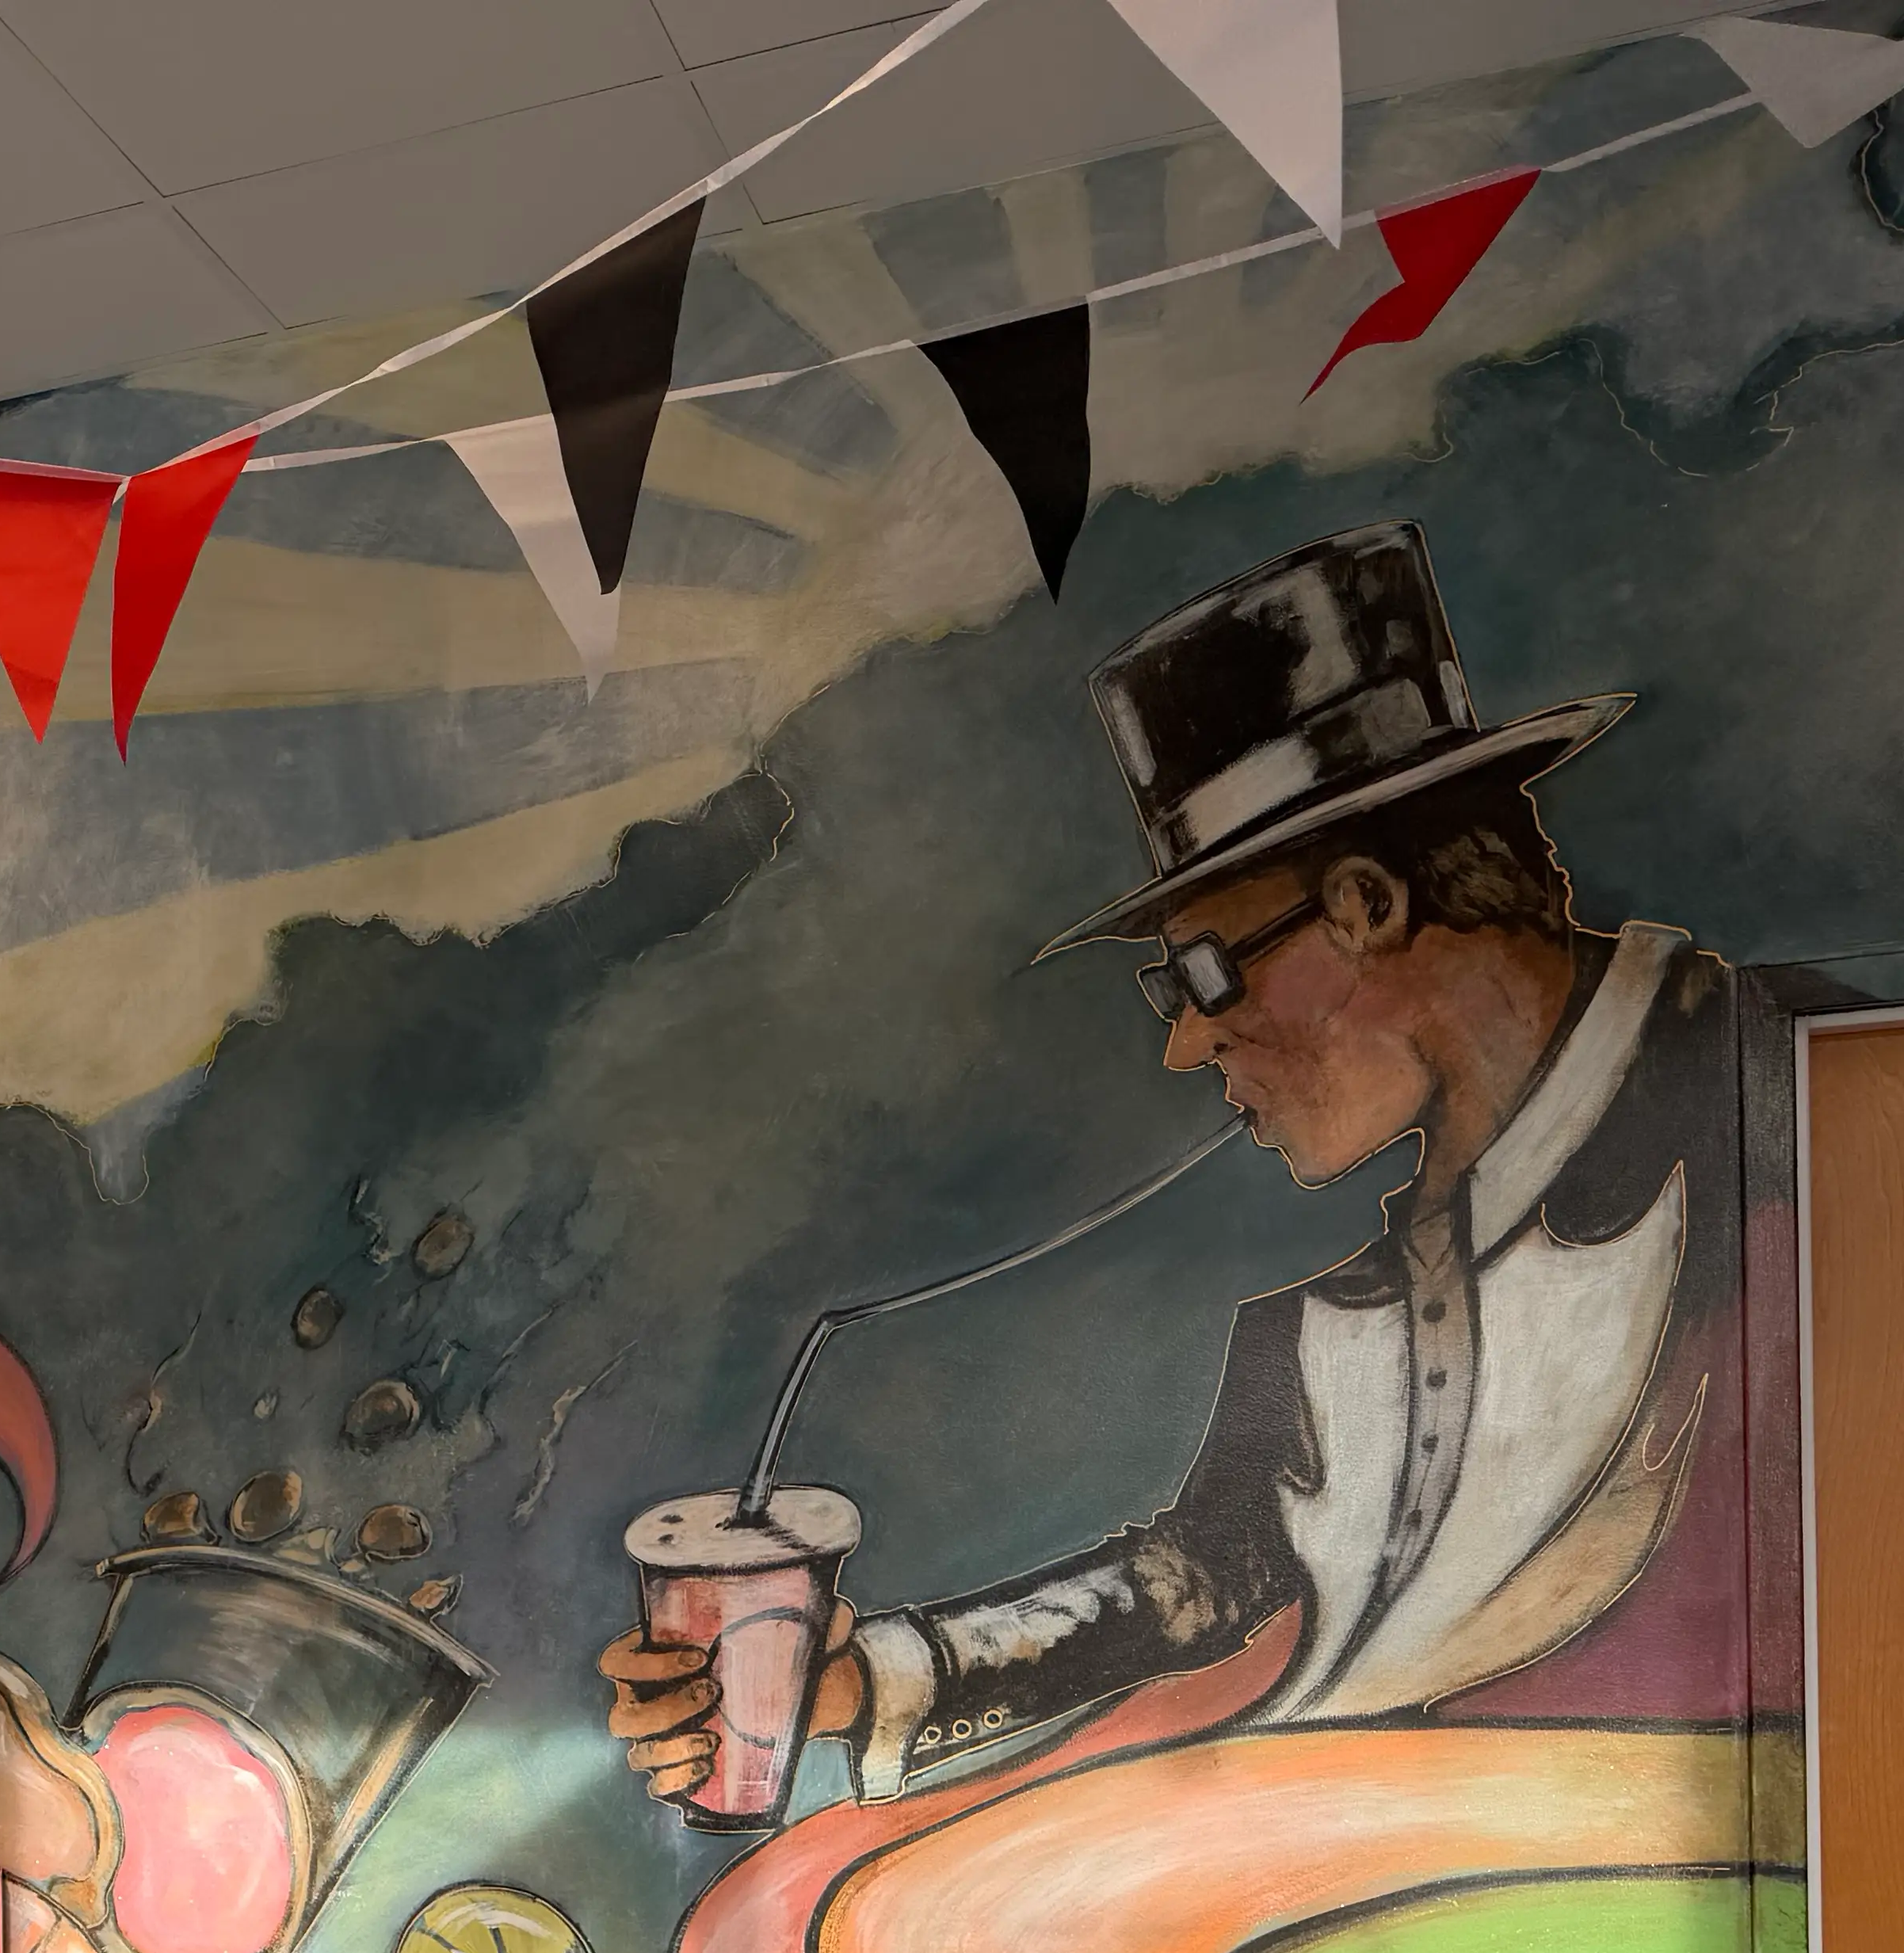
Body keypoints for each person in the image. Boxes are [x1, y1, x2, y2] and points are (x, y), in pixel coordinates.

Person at [605, 521, 1754, 1807]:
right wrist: (860, 1681)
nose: (1186, 1043)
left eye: (1206, 973)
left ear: (1368, 907)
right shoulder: (1332, 1336)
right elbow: (1194, 1581)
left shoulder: (1778, 1105)